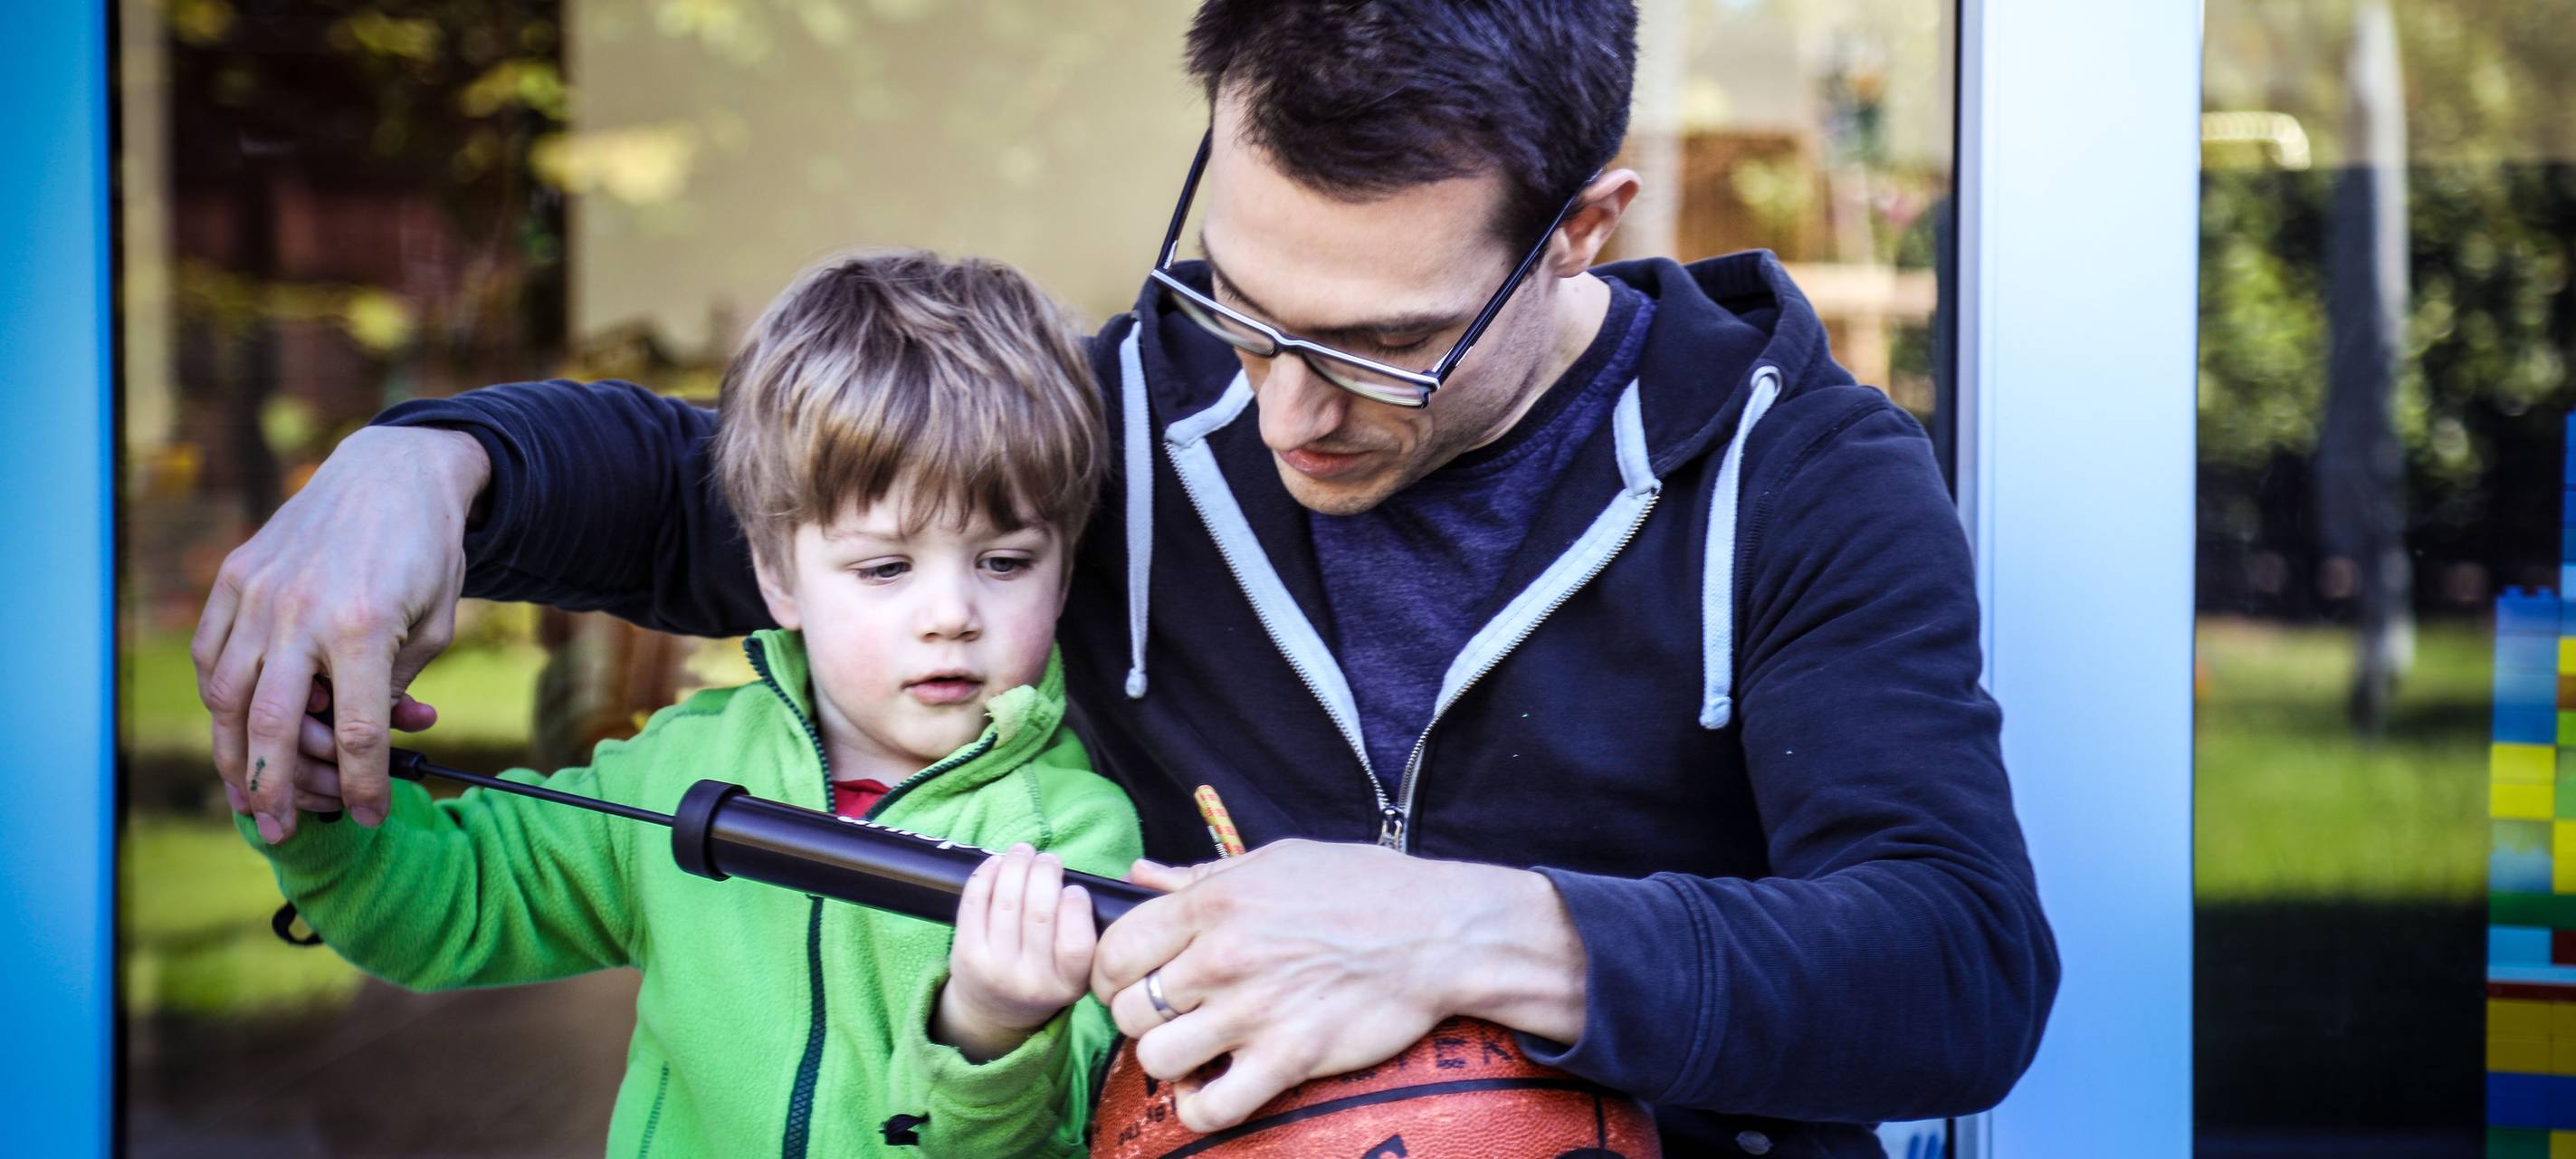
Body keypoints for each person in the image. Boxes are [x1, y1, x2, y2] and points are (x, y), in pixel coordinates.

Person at [195, 2, 2060, 1152]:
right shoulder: (1134, 413)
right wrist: (434, 459)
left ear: (1580, 229)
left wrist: (1467, 926)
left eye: (1381, 347)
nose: (1278, 408)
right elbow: (738, 501)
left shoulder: (1798, 476)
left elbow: (1957, 964)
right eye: (1231, 306)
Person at [231, 252, 1143, 1157]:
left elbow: (1061, 1134)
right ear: (778, 576)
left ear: (1064, 573)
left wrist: (988, 1028)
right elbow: (453, 904)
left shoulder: (1077, 837)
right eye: (885, 567)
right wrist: (316, 814)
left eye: (1005, 561)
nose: (950, 615)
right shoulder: (682, 766)